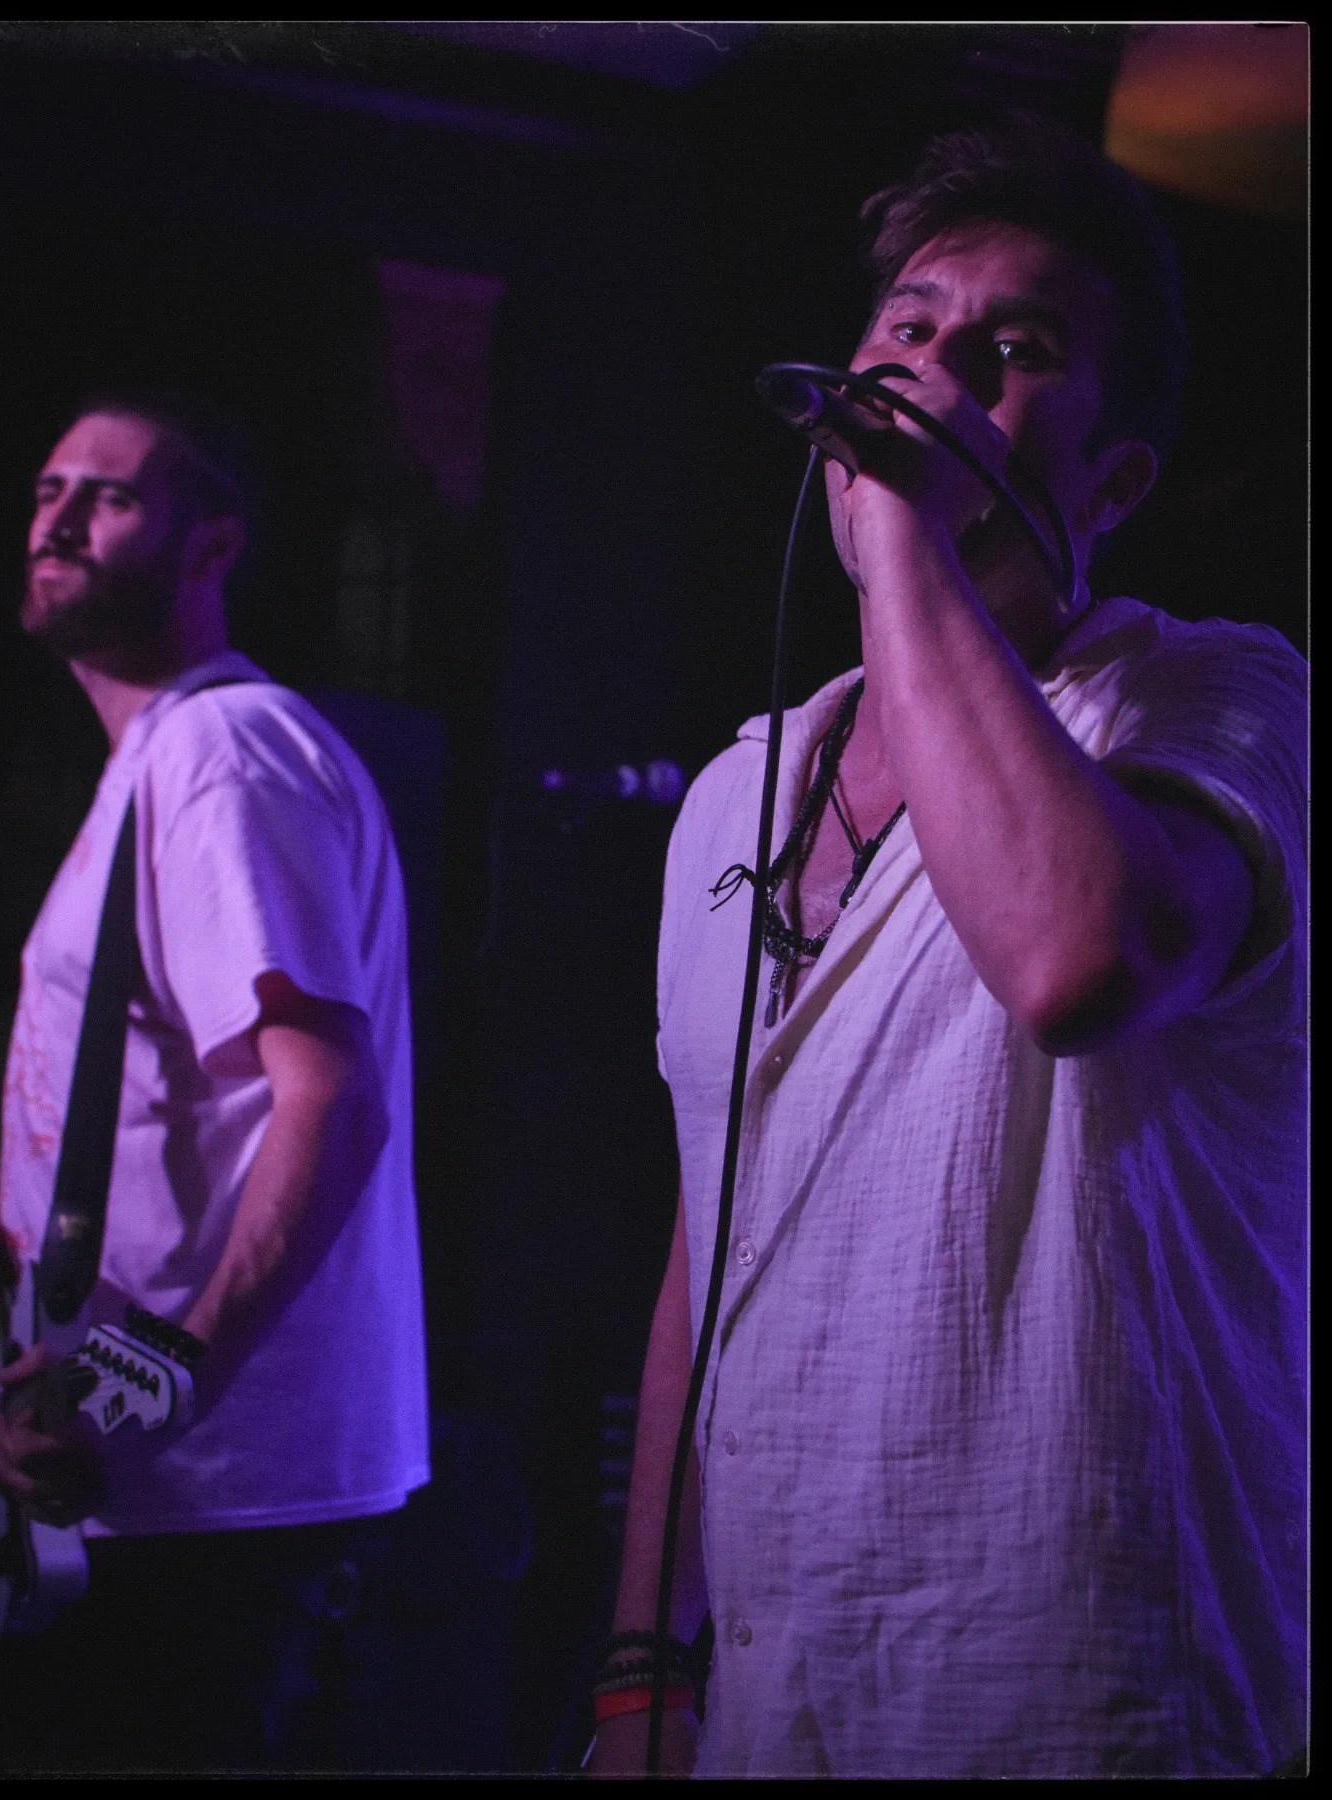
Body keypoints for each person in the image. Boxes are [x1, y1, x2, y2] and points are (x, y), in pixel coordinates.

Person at [595, 117, 1306, 1778]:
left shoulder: (1218, 700)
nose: (933, 373)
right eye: (908, 330)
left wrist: (908, 534)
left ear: (1113, 484)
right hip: (780, 1700)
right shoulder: (738, 793)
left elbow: (1078, 957)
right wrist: (641, 1666)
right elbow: (714, 1227)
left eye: (1017, 350)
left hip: (1085, 1698)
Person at [0, 394, 430, 1770]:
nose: (60, 521)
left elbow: (329, 1100)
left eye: (112, 496)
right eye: (47, 490)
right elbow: (188, 1113)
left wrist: (159, 1375)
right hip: (159, 1494)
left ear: (212, 546)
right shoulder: (161, 762)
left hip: (219, 1509)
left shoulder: (222, 753)